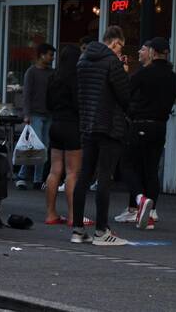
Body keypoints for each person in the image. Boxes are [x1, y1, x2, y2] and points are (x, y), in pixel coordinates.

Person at [71, 25, 131, 246]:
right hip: (109, 125)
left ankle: (77, 229)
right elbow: (124, 96)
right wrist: (124, 73)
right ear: (114, 42)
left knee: (84, 175)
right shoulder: (112, 63)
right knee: (105, 176)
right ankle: (101, 231)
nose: (120, 51)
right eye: (120, 46)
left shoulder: (83, 60)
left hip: (87, 124)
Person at [115, 37, 176, 230]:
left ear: (152, 52)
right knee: (151, 168)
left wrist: (130, 112)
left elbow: (125, 94)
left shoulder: (144, 74)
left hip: (140, 124)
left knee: (127, 164)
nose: (140, 52)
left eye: (144, 49)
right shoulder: (174, 77)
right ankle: (149, 212)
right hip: (160, 126)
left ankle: (140, 200)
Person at [43, 46, 91, 227]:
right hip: (72, 126)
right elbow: (79, 105)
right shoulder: (77, 79)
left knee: (54, 171)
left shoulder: (53, 78)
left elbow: (47, 104)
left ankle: (50, 213)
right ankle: (73, 216)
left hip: (55, 125)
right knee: (72, 173)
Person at [16, 42, 55, 190]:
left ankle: (36, 179)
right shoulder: (31, 72)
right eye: (50, 55)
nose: (52, 58)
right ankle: (23, 175)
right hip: (36, 114)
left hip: (47, 114)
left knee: (42, 147)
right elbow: (27, 95)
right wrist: (27, 114)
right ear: (42, 55)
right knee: (36, 146)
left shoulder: (51, 72)